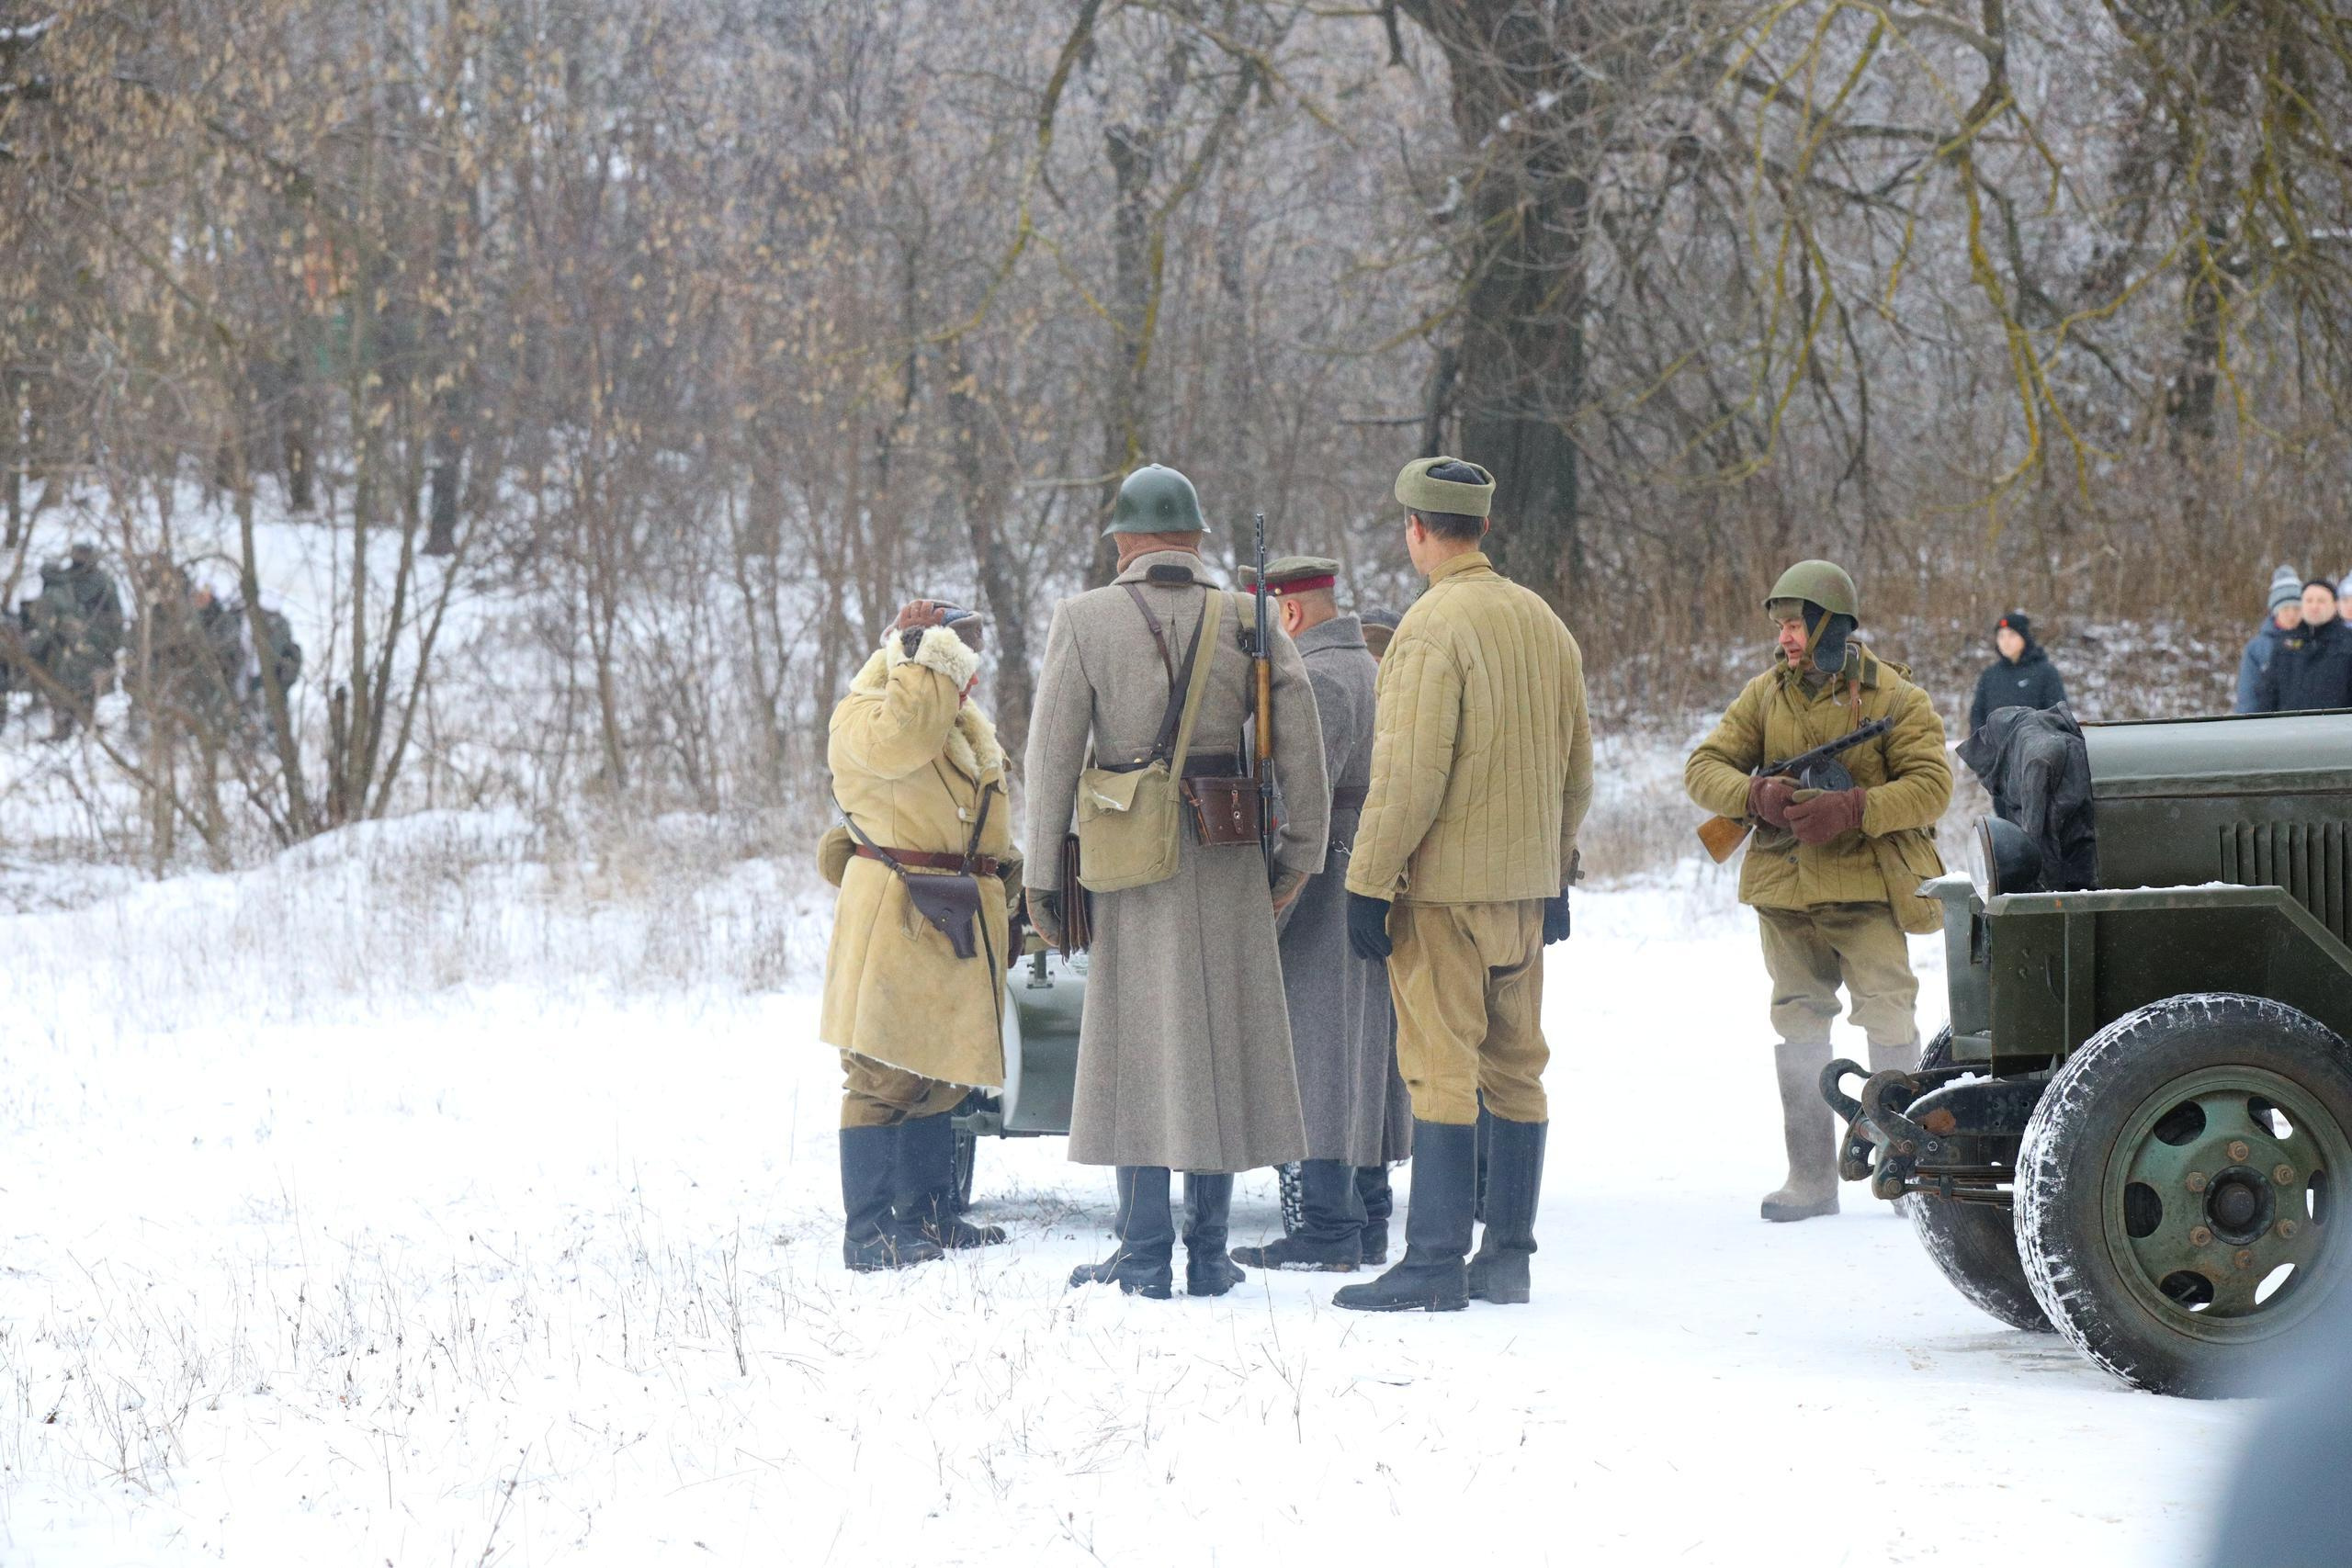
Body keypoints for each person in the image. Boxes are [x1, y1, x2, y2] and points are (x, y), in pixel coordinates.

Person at [1022, 463, 1330, 1301]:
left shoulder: (1084, 618)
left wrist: (1043, 878)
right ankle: (1211, 1251)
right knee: (1217, 1046)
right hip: (1226, 853)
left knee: (1135, 1049)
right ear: (1195, 539)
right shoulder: (1248, 616)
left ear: (1124, 541)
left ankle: (1143, 1251)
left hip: (1127, 860)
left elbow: (1051, 758)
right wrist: (1299, 855)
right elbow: (1302, 745)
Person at [1336, 457, 1591, 1313]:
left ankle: (1434, 1261)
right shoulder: (1546, 623)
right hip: (1525, 894)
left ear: (1416, 529)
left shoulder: (1428, 628)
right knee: (1518, 1069)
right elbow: (1578, 772)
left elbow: (1407, 777)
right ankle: (1507, 1258)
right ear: (1481, 526)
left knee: (1440, 1068)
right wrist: (1555, 871)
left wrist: (1368, 882)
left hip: (1443, 895)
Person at [1684, 561, 1952, 1223]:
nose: (1785, 638)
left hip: (1865, 889)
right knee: (1798, 1022)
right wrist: (1753, 794)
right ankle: (1809, 1177)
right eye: (1781, 626)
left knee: (1889, 1017)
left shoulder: (1894, 697)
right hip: (1785, 891)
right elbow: (1703, 766)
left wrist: (1856, 807)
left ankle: (1904, 1169)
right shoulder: (1764, 695)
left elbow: (1932, 786)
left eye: (1797, 625)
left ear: (1831, 627)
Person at [819, 600, 1022, 1271]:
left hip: (954, 912)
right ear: (921, 661)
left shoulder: (956, 723)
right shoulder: (867, 714)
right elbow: (904, 739)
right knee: (883, 1074)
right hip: (899, 913)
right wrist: (919, 652)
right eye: (956, 661)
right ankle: (868, 1233)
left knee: (941, 1070)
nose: (970, 678)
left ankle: (929, 1213)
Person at [1227, 557, 1412, 1273]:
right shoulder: (1364, 666)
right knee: (1359, 1049)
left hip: (1324, 879)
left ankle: (1329, 1226)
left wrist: (1272, 889)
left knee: (1319, 1051)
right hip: (1358, 872)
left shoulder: (1321, 680)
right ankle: (1366, 1217)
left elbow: (1299, 795)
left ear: (1290, 614)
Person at [23, 542, 124, 739]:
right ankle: (74, 726)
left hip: (89, 643)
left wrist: (111, 643)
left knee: (79, 685)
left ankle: (81, 725)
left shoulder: (98, 581)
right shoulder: (69, 579)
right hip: (71, 644)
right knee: (70, 685)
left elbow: (115, 617)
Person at [2251, 579, 2352, 714]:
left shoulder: (2347, 642)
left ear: (2335, 605)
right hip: (2290, 725)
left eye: (2321, 601)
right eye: (2309, 600)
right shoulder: (2285, 643)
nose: (2314, 606)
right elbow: (2268, 693)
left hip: (2336, 725)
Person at [1966, 611, 2067, 737]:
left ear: (2024, 637)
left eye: (2012, 635)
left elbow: (2057, 717)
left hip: (2033, 745)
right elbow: (1977, 715)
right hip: (1996, 747)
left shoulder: (2045, 673)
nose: (2006, 641)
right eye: (2001, 636)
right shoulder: (1990, 675)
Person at [2234, 564, 2302, 714]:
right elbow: (2248, 696)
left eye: (2296, 608)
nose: (2291, 614)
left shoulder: (2313, 641)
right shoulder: (2257, 648)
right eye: (2285, 609)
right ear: (2275, 611)